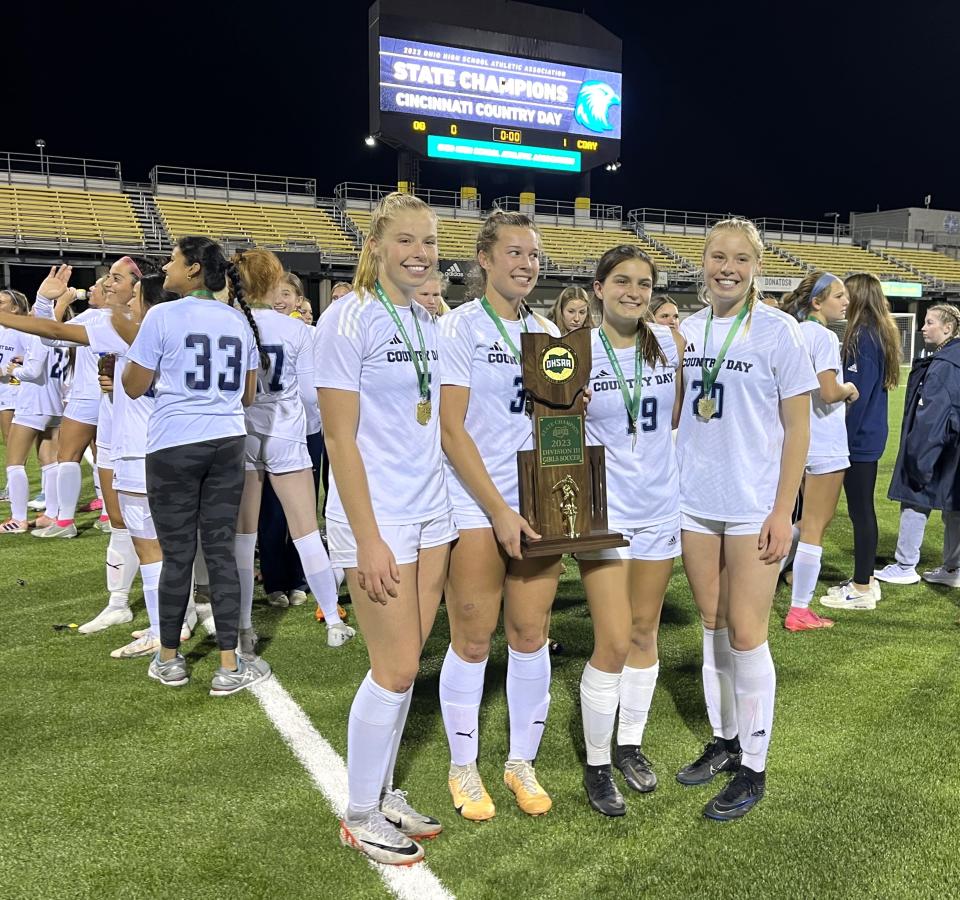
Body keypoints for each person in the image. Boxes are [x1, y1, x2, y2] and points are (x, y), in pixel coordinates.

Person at [316, 192, 453, 866]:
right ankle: (362, 812)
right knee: (394, 668)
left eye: (427, 242)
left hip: (433, 515)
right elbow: (339, 441)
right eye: (405, 241)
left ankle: (384, 789)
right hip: (381, 519)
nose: (420, 253)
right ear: (375, 246)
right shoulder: (348, 320)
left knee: (404, 667)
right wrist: (367, 539)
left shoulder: (425, 321)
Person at [675, 218, 816, 821]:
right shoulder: (684, 330)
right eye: (717, 257)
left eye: (739, 259)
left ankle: (754, 767)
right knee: (711, 621)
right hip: (694, 501)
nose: (726, 268)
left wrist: (784, 511)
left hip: (755, 505)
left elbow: (799, 428)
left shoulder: (780, 332)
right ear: (703, 262)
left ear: (756, 266)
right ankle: (726, 739)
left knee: (747, 631)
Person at [438, 210, 562, 823]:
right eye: (514, 252)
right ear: (484, 259)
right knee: (472, 635)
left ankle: (519, 762)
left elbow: (553, 425)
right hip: (475, 502)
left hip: (539, 502)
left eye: (534, 255)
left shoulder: (547, 333)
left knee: (530, 634)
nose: (526, 263)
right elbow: (451, 429)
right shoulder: (459, 328)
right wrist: (497, 510)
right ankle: (463, 768)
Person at [122, 235, 271, 696]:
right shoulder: (236, 320)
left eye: (171, 261)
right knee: (220, 552)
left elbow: (132, 385)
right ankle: (230, 664)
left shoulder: (163, 314)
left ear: (191, 270)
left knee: (177, 555)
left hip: (173, 444)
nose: (165, 268)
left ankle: (169, 658)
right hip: (226, 441)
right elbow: (247, 395)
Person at [577, 246, 685, 816]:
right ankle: (596, 762)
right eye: (622, 281)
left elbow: (672, 418)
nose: (634, 292)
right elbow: (556, 431)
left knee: (644, 633)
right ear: (598, 287)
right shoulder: (576, 351)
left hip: (660, 507)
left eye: (644, 284)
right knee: (614, 640)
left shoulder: (669, 343)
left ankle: (629, 744)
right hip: (604, 513)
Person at [231, 250, 353, 652]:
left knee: (246, 540)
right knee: (305, 532)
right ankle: (333, 619)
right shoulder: (298, 331)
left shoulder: (232, 323)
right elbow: (307, 394)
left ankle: (244, 625)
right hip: (286, 434)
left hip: (243, 432)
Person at [34, 263, 143, 539]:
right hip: (122, 401)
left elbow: (51, 336)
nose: (103, 286)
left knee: (68, 456)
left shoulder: (95, 318)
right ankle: (110, 515)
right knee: (107, 458)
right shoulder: (143, 319)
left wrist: (45, 301)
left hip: (88, 396)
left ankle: (65, 521)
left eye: (113, 280)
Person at [780, 272, 859, 631]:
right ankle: (800, 610)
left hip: (793, 440)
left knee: (796, 521)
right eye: (839, 296)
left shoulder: (790, 332)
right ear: (817, 302)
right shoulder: (824, 336)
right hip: (824, 440)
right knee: (815, 526)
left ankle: (759, 576)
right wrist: (850, 388)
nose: (845, 302)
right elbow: (828, 392)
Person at [820, 273, 901, 611]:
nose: (842, 300)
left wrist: (839, 437)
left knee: (861, 511)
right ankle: (863, 579)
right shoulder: (877, 332)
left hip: (859, 437)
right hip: (869, 433)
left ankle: (862, 587)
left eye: (845, 294)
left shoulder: (863, 336)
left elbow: (857, 396)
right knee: (861, 510)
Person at [877, 303, 960, 588]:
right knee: (955, 505)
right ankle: (953, 569)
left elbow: (932, 418)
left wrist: (918, 458)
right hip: (955, 447)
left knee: (914, 496)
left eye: (930, 322)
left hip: (938, 444)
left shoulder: (942, 366)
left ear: (947, 328)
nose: (923, 327)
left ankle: (904, 565)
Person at [1, 287, 67, 534]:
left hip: (33, 402)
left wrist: (12, 371)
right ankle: (51, 514)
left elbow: (32, 372)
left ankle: (17, 519)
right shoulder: (59, 335)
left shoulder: (37, 334)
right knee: (49, 461)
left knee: (14, 462)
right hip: (53, 403)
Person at [0, 288, 30, 502]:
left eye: (1, 302)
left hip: (14, 389)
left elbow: (30, 358)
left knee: (13, 440)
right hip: (2, 390)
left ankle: (13, 488)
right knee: (8, 440)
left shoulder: (22, 330)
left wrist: (6, 371)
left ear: (15, 307)